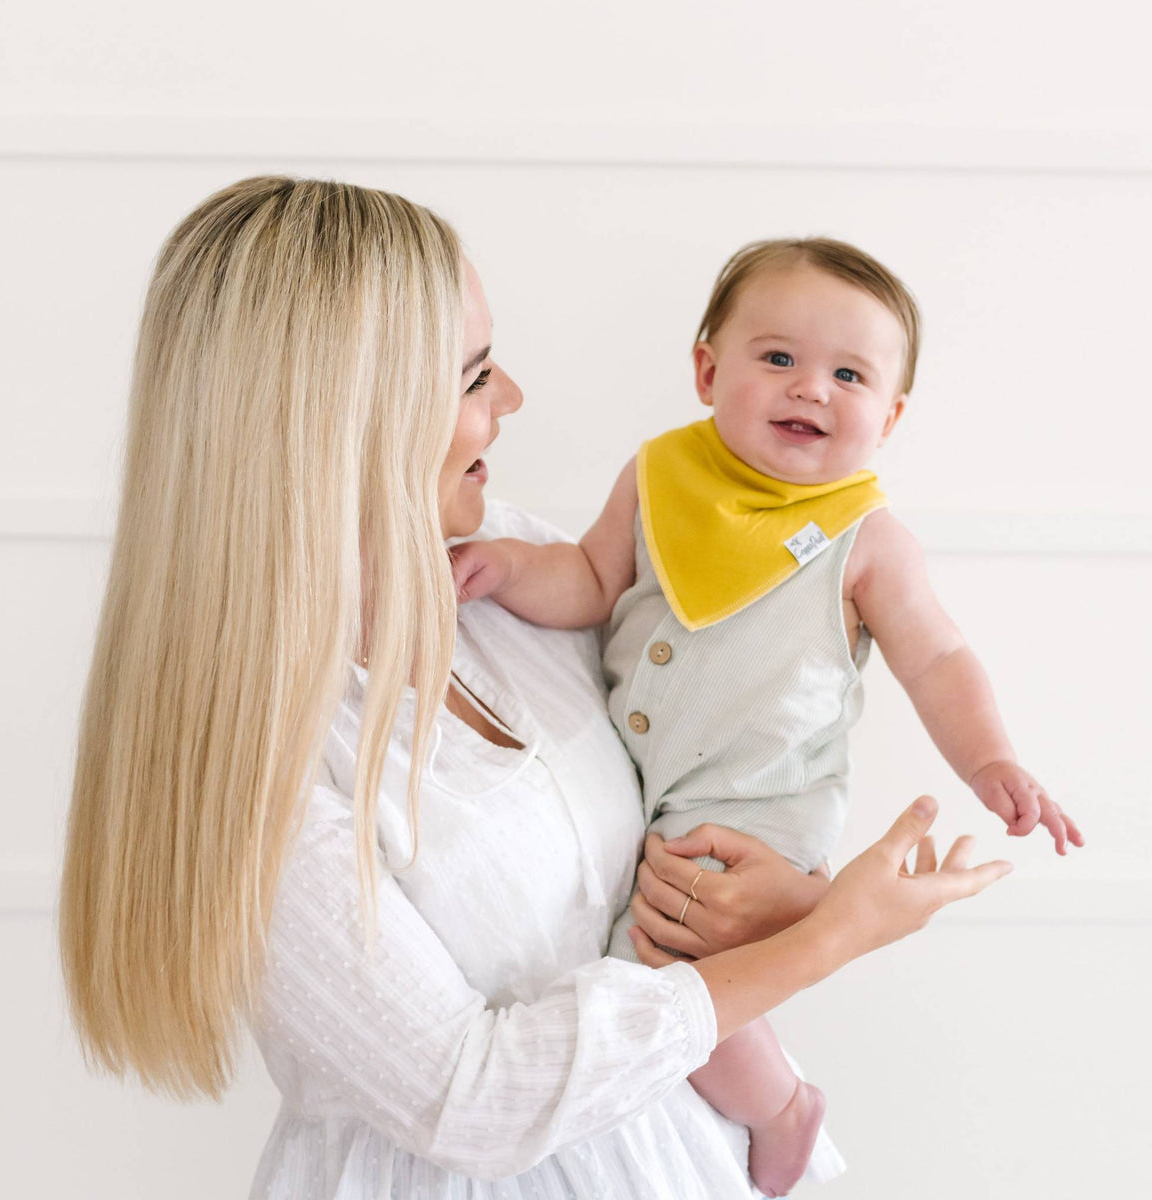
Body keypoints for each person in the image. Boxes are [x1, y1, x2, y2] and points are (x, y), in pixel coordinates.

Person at [59, 177, 1012, 1200]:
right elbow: (470, 1098)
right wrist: (833, 938)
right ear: (348, 418)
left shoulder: (518, 577)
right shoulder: (247, 761)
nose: (511, 400)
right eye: (473, 378)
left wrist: (786, 902)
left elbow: (712, 767)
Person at [449, 236, 1085, 1194]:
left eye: (850, 374)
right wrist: (505, 566)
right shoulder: (661, 479)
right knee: (638, 969)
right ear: (708, 370)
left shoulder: (867, 541)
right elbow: (588, 578)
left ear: (892, 413)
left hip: (756, 812)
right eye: (778, 358)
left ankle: (783, 1107)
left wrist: (992, 759)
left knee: (667, 983)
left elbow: (940, 658)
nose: (811, 389)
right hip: (641, 793)